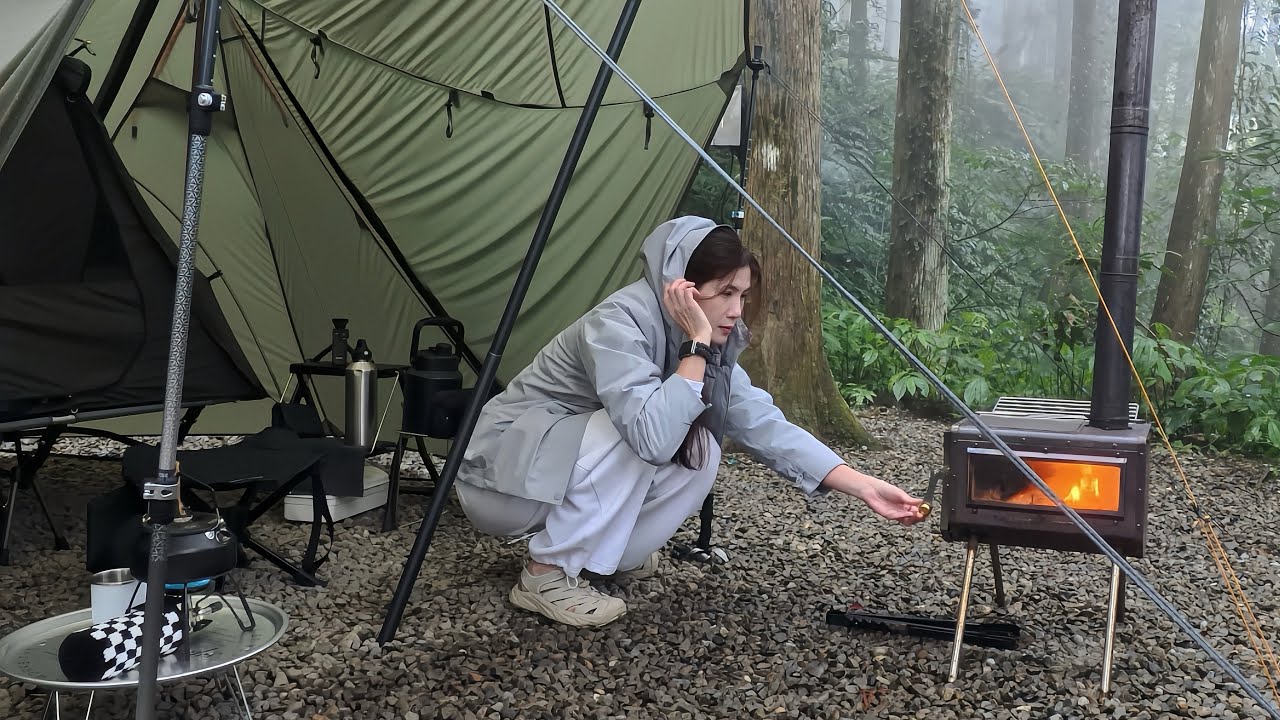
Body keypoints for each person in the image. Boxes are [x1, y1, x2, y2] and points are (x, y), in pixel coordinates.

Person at [454, 216, 924, 627]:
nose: (737, 309)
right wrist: (696, 344)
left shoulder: (709, 342)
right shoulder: (617, 322)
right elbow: (650, 436)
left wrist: (861, 484)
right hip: (504, 480)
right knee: (648, 428)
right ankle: (545, 575)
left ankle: (606, 557)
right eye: (725, 293)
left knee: (703, 452)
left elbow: (762, 421)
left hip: (554, 472)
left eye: (742, 294)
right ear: (682, 286)